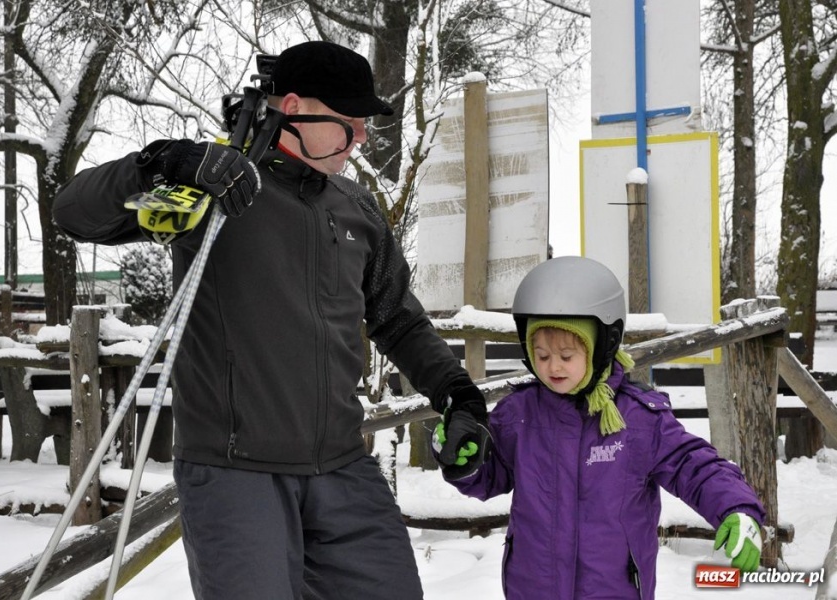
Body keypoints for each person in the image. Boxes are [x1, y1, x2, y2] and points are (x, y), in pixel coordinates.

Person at [53, 40, 489, 600]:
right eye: (348, 123)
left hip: (341, 465)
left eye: (363, 125)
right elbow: (72, 213)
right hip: (236, 472)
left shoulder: (355, 208)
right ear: (295, 108)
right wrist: (164, 162)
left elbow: (397, 319)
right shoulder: (213, 189)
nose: (360, 138)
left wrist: (458, 395)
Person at [432, 256, 766, 600]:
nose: (553, 367)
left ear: (603, 345)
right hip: (533, 589)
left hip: (613, 590)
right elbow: (492, 475)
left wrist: (736, 507)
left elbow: (692, 465)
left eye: (566, 355)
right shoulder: (519, 414)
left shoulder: (637, 419)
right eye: (541, 355)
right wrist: (465, 461)